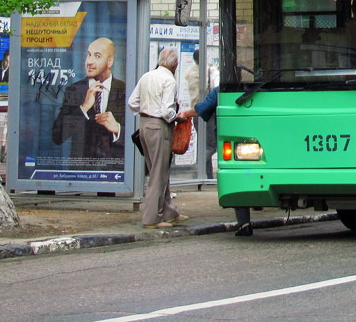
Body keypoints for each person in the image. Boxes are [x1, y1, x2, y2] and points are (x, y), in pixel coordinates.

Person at [179, 87, 253, 237]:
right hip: (256, 135)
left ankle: (244, 222)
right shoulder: (257, 88)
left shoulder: (222, 90)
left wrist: (185, 114)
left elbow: (203, 108)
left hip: (232, 138)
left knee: (237, 177)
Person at [128, 47, 187, 229]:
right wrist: (178, 117)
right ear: (175, 65)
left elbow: (132, 102)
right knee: (157, 174)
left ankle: (169, 212)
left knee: (158, 169)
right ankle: (152, 218)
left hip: (144, 124)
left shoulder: (147, 76)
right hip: (160, 126)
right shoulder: (169, 80)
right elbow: (167, 111)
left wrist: (146, 109)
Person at [51, 37, 126, 169]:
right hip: (82, 170)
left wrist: (117, 129)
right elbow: (57, 136)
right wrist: (83, 108)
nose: (89, 62)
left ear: (110, 61)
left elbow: (140, 136)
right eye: (89, 55)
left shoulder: (125, 90)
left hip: (114, 170)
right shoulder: (74, 90)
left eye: (97, 56)